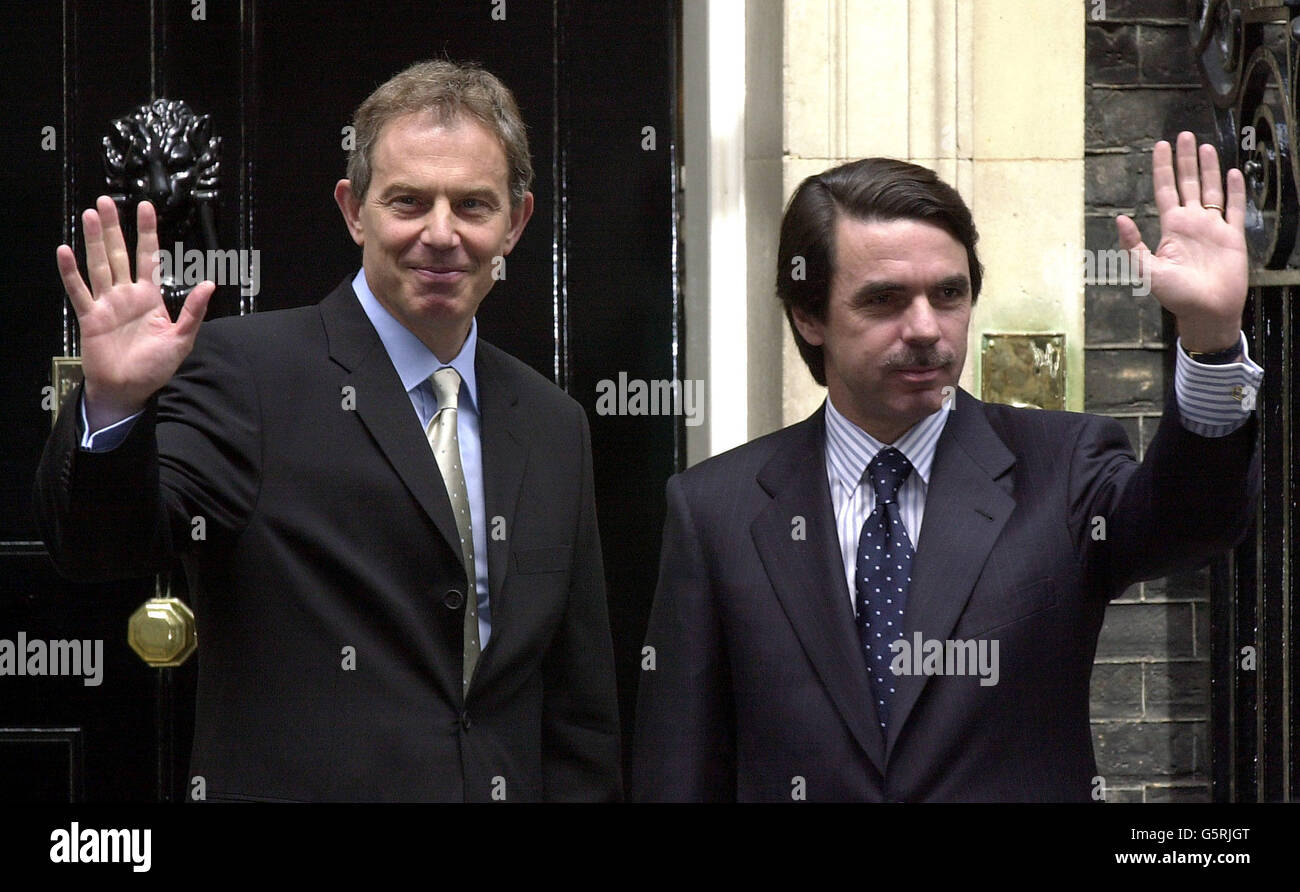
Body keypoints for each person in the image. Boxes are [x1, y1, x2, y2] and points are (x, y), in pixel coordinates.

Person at [35, 60, 621, 802]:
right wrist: (115, 406)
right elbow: (98, 548)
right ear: (354, 210)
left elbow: (579, 710)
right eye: (408, 201)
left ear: (516, 221)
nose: (441, 235)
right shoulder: (245, 374)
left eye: (472, 206)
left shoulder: (552, 422)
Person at [632, 133, 1263, 802]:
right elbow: (679, 768)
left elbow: (1197, 520)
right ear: (809, 315)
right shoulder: (716, 510)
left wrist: (1212, 342)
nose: (927, 327)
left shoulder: (1062, 469)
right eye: (884, 300)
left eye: (949, 294)